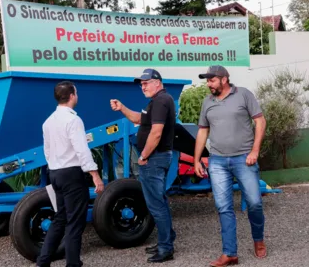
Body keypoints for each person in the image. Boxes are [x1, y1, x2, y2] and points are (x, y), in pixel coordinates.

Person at [193, 65, 267, 267]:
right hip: (217, 161)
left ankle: (258, 240)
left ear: (224, 79)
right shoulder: (207, 102)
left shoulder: (243, 95)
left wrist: (254, 151)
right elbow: (202, 132)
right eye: (207, 80)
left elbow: (260, 122)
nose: (208, 84)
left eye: (211, 80)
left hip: (244, 159)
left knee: (254, 202)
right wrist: (196, 159)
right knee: (223, 207)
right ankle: (230, 253)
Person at [110, 68, 176, 263]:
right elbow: (138, 119)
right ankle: (167, 238)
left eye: (146, 83)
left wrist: (144, 156)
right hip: (155, 159)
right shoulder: (155, 102)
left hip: (154, 159)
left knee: (156, 205)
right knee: (159, 201)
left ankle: (166, 248)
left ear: (158, 82)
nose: (143, 86)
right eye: (141, 84)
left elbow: (156, 133)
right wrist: (122, 107)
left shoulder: (162, 101)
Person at [37, 81, 104, 267]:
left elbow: (47, 151)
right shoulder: (73, 120)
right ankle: (73, 264)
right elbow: (82, 150)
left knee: (60, 218)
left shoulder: (48, 121)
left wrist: (55, 169)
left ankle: (43, 262)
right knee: (75, 223)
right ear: (72, 95)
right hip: (72, 175)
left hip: (55, 173)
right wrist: (95, 175)